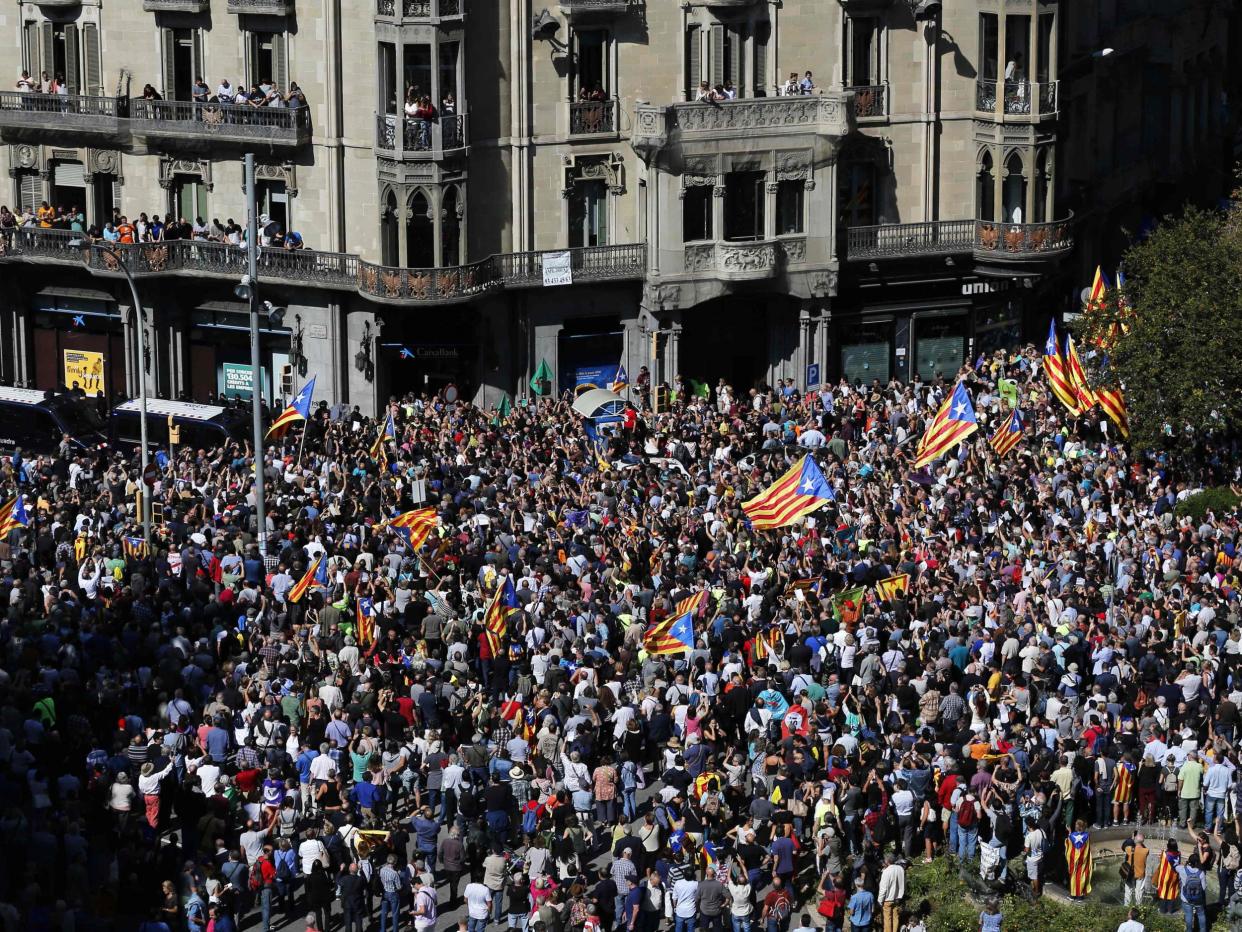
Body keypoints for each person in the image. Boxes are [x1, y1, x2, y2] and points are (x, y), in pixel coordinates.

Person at [1178, 855, 1208, 932]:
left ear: (1189, 861)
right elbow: (1204, 888)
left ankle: (1189, 930)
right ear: (1198, 862)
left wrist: (1185, 864)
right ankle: (1203, 930)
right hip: (1198, 899)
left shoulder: (1183, 870)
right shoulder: (1201, 873)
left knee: (1189, 915)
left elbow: (1175, 867)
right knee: (1201, 914)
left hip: (1186, 898)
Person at [1064, 819, 1092, 900]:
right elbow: (1087, 848)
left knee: (1073, 876)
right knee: (1081, 876)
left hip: (1074, 861)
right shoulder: (1087, 836)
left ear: (1076, 826)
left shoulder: (1072, 836)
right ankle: (1080, 896)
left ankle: (1073, 895)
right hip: (1083, 860)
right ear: (1083, 826)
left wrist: (1069, 832)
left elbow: (1068, 846)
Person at [1120, 831, 1150, 908]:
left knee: (1128, 890)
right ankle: (1138, 907)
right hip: (1140, 874)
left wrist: (1132, 838)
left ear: (1135, 840)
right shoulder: (1146, 850)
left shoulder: (1129, 849)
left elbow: (1124, 845)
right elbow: (1143, 847)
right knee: (1139, 891)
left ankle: (1126, 906)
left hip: (1130, 873)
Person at [1153, 840, 1182, 915]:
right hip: (1174, 876)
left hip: (1165, 877)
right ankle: (1170, 909)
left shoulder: (1165, 854)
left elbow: (1161, 861)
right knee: (1172, 892)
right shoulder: (1179, 853)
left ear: (1168, 846)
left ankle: (1163, 910)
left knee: (1163, 892)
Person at [877, 853, 905, 932]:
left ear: (887, 861)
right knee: (895, 917)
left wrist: (879, 900)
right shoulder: (900, 869)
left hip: (887, 899)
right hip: (897, 898)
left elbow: (883, 888)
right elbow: (903, 883)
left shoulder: (886, 871)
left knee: (887, 920)